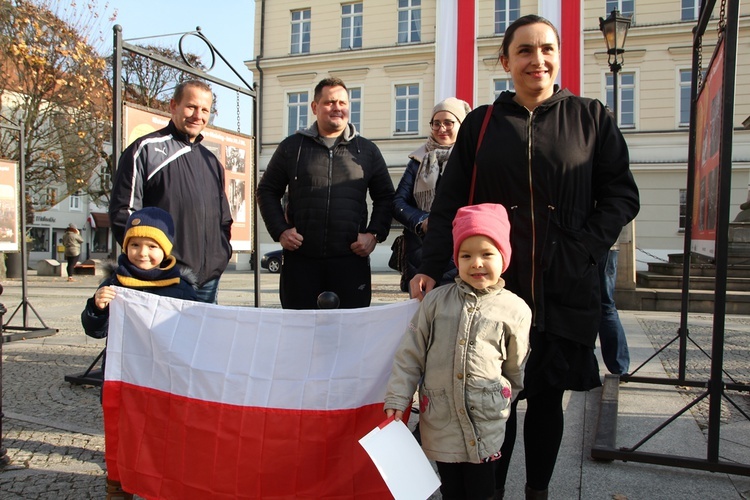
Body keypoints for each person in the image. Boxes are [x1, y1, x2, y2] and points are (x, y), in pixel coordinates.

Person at [409, 15, 640, 499]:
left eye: (547, 49)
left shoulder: (591, 117)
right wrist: (429, 266)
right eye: (526, 51)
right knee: (497, 398)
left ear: (558, 56)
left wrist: (584, 247)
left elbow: (620, 195)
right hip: (495, 289)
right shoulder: (482, 124)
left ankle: (538, 491)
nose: (538, 60)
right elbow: (449, 202)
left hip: (564, 285)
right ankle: (491, 491)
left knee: (549, 398)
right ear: (506, 61)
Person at [385, 203, 531, 500]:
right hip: (441, 422)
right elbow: (410, 353)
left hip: (486, 422)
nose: (476, 263)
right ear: (456, 259)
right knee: (451, 490)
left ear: (503, 256)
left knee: (481, 490)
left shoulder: (515, 309)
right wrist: (398, 397)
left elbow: (515, 366)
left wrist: (502, 397)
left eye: (487, 254)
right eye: (466, 255)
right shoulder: (436, 302)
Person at [81, 207, 199, 500]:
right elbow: (95, 330)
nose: (142, 253)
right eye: (134, 244)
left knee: (166, 433)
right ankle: (119, 483)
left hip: (165, 377)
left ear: (165, 249)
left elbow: (197, 333)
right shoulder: (113, 285)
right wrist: (97, 308)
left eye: (151, 246)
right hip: (124, 375)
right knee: (124, 433)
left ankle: (166, 481)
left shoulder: (181, 289)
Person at [256, 77, 395, 309]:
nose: (337, 108)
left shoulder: (367, 150)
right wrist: (280, 230)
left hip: (351, 261)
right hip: (301, 261)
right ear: (315, 107)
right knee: (299, 332)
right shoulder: (292, 147)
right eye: (330, 102)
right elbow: (267, 190)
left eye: (342, 102)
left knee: (350, 334)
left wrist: (374, 235)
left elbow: (386, 197)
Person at [109, 80, 233, 304]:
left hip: (208, 279)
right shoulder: (145, 150)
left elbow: (224, 219)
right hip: (164, 277)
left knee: (203, 339)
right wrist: (149, 263)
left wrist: (221, 255)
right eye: (191, 107)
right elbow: (123, 213)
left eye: (205, 110)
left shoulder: (211, 162)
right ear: (173, 106)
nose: (198, 115)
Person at [392, 97, 471, 292]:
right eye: (436, 123)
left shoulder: (470, 160)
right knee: (422, 317)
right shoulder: (418, 160)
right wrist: (423, 220)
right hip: (420, 252)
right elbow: (398, 202)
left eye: (448, 123)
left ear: (461, 125)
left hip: (459, 249)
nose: (441, 128)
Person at [598, 226, 631, 375]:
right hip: (607, 243)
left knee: (605, 306)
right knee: (606, 305)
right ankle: (618, 366)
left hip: (597, 242)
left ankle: (618, 365)